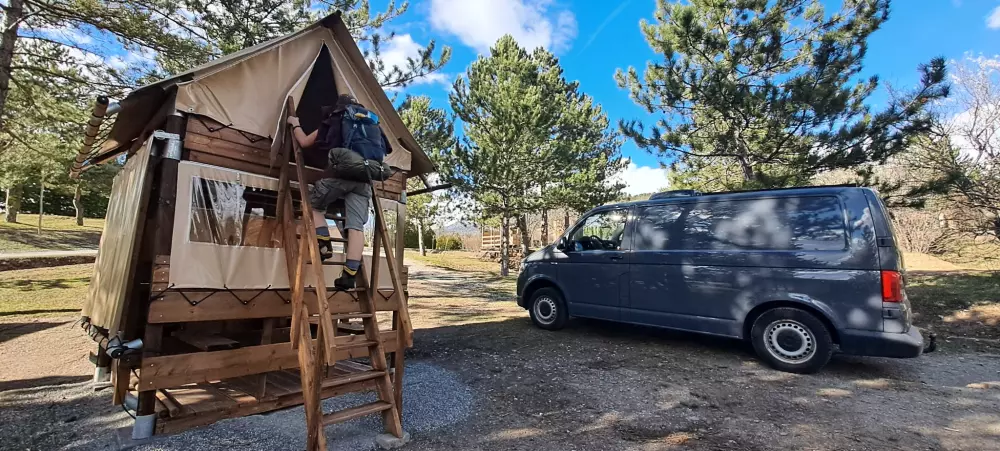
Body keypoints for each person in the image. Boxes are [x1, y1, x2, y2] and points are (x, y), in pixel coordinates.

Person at [287, 94, 393, 290]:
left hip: (339, 176)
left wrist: (295, 123)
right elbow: (386, 150)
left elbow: (304, 142)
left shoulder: (336, 118)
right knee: (356, 227)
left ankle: (323, 242)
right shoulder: (372, 124)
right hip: (364, 181)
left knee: (313, 205)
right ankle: (349, 275)